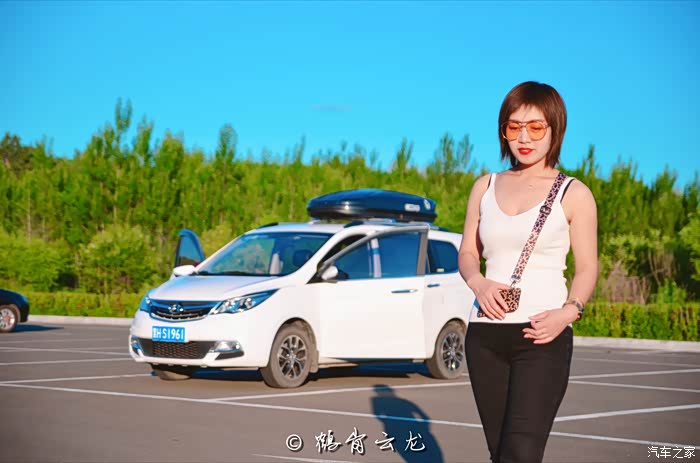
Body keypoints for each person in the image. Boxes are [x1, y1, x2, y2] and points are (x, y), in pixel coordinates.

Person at [458, 81, 598, 463]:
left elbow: (588, 266)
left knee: (522, 451)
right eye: (514, 126)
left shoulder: (575, 193)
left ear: (555, 129)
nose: (524, 137)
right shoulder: (484, 186)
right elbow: (468, 252)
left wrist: (569, 312)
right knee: (500, 452)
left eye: (536, 127)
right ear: (503, 130)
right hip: (484, 334)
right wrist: (478, 283)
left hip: (542, 335)